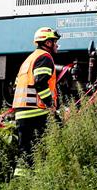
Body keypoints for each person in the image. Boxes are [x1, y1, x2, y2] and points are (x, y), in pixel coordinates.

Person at [12, 27, 61, 175]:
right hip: (36, 112)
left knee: (25, 152)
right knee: (49, 144)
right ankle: (44, 178)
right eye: (54, 42)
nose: (57, 45)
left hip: (22, 113)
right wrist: (51, 105)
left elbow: (16, 85)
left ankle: (22, 182)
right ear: (47, 42)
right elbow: (40, 83)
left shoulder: (29, 59)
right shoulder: (44, 57)